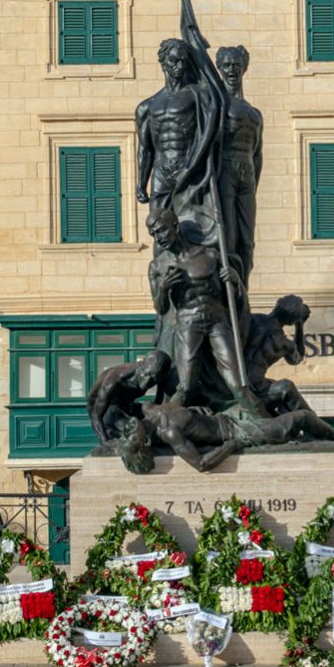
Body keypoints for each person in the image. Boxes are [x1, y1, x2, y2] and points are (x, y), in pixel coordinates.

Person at [146, 207, 263, 417]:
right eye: (153, 234)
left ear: (175, 226)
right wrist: (163, 289)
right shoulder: (158, 266)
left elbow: (232, 299)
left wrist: (235, 282)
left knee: (238, 384)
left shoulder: (210, 255)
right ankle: (160, 421)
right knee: (186, 387)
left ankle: (267, 426)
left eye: (161, 231)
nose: (158, 238)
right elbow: (161, 309)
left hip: (217, 320)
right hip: (187, 322)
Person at [116, 402, 334, 473]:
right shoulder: (170, 433)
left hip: (228, 413)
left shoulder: (149, 408)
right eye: (131, 438)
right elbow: (201, 464)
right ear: (146, 442)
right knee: (301, 418)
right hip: (235, 431)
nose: (127, 430)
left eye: (124, 433)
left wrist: (193, 410)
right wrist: (232, 445)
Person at [135, 39, 218, 222]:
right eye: (174, 61)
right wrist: (141, 184)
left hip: (190, 168)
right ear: (163, 62)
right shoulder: (147, 107)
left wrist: (191, 167)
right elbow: (145, 148)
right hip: (161, 171)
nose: (179, 66)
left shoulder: (198, 96)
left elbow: (208, 134)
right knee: (157, 223)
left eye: (183, 61)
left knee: (194, 225)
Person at [216, 46, 263, 288]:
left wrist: (254, 183)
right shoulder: (217, 106)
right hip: (226, 173)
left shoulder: (255, 113)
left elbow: (258, 154)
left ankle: (242, 289)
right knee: (229, 238)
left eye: (235, 65)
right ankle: (230, 289)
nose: (231, 69)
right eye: (226, 65)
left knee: (247, 242)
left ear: (244, 68)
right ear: (219, 68)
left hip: (248, 178)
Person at [244, 295, 313, 415]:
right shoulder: (283, 343)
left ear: (278, 305)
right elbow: (297, 358)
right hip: (256, 385)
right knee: (287, 387)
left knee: (282, 396)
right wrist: (300, 326)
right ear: (292, 321)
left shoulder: (252, 320)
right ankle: (315, 424)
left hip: (238, 377)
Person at [86, 350, 170, 444]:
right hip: (106, 409)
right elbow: (96, 415)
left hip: (126, 406)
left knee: (156, 428)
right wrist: (104, 441)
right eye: (146, 374)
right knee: (138, 433)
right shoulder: (116, 378)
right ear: (141, 365)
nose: (147, 381)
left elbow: (158, 403)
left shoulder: (159, 376)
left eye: (153, 378)